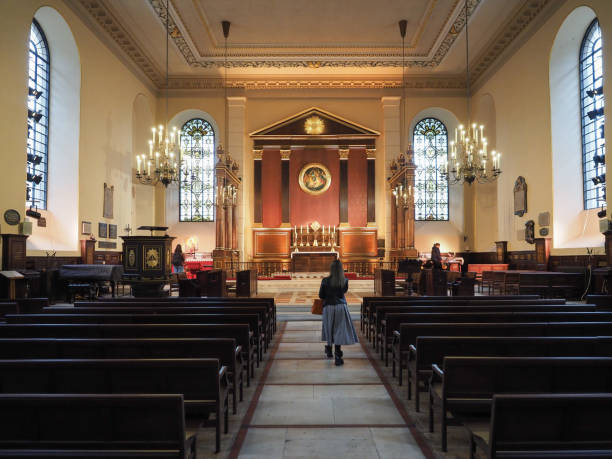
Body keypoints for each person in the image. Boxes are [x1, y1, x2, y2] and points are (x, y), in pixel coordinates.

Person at [319, 259, 359, 366]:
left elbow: (321, 296)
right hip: (341, 307)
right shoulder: (344, 280)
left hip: (328, 307)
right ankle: (337, 355)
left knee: (329, 328)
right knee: (339, 330)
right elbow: (343, 293)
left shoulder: (325, 280)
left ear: (331, 269)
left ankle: (329, 349)